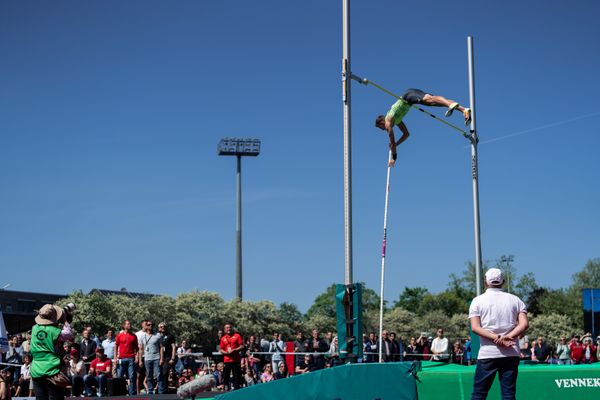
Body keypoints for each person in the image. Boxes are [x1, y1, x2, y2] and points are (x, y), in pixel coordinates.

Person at [469, 268, 528, 400]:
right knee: (508, 394)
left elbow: (475, 328)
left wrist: (497, 338)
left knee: (479, 394)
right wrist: (507, 337)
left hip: (487, 353)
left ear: (485, 281)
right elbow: (524, 324)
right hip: (511, 352)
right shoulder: (516, 300)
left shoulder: (477, 301)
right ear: (503, 281)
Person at [375, 89, 471, 167]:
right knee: (435, 102)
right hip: (410, 98)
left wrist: (394, 158)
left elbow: (392, 142)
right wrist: (396, 144)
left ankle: (450, 105)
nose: (383, 130)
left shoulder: (388, 123)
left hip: (408, 96)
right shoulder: (396, 121)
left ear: (381, 122)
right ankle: (464, 110)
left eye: (381, 127)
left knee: (431, 100)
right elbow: (406, 134)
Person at [30, 304, 74, 400]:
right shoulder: (54, 331)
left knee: (41, 398)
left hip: (36, 370)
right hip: (52, 370)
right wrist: (65, 320)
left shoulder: (34, 329)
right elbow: (69, 335)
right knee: (56, 397)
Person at [114, 320, 139, 395]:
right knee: (120, 376)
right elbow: (116, 346)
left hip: (131, 358)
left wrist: (137, 357)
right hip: (121, 358)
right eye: (127, 324)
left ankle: (132, 393)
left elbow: (137, 348)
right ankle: (120, 393)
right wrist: (115, 358)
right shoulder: (119, 335)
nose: (129, 325)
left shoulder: (134, 336)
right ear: (124, 326)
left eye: (130, 324)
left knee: (132, 377)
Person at [139, 320, 161, 394]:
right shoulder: (142, 336)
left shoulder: (157, 335)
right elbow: (141, 349)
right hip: (147, 358)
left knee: (158, 374)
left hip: (156, 358)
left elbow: (161, 347)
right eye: (148, 325)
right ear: (146, 326)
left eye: (152, 325)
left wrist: (161, 358)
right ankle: (150, 391)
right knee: (149, 376)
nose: (150, 326)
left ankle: (160, 391)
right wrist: (140, 360)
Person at [219, 323, 243, 390]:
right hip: (227, 360)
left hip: (236, 360)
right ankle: (226, 388)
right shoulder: (223, 338)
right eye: (227, 328)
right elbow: (221, 349)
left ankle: (237, 389)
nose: (228, 329)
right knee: (226, 375)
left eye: (229, 327)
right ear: (224, 330)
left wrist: (234, 350)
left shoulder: (237, 336)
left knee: (237, 376)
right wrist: (226, 352)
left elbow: (242, 346)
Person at [158, 322, 176, 394]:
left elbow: (174, 347)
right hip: (159, 357)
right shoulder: (158, 336)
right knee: (160, 374)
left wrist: (172, 358)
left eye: (164, 326)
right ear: (159, 328)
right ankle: (161, 390)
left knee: (165, 373)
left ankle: (164, 390)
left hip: (168, 357)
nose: (163, 328)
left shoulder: (170, 336)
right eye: (161, 327)